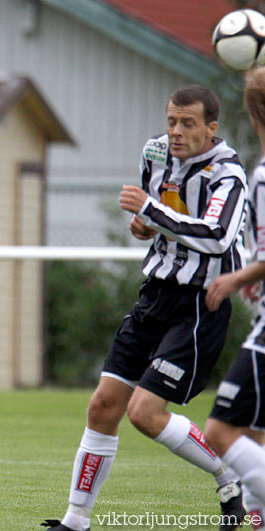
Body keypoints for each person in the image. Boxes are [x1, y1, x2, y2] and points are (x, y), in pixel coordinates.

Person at [42, 85, 248, 531]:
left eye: (187, 124)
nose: (175, 131)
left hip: (200, 302)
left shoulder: (228, 173)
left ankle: (231, 473)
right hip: (154, 294)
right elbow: (158, 225)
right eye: (171, 121)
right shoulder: (155, 153)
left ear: (211, 128)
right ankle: (75, 520)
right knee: (102, 406)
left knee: (144, 413)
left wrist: (150, 210)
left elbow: (217, 237)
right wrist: (143, 225)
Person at [205, 66, 265, 529]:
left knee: (222, 432)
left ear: (250, 113)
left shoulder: (263, 177)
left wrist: (235, 276)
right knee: (257, 431)